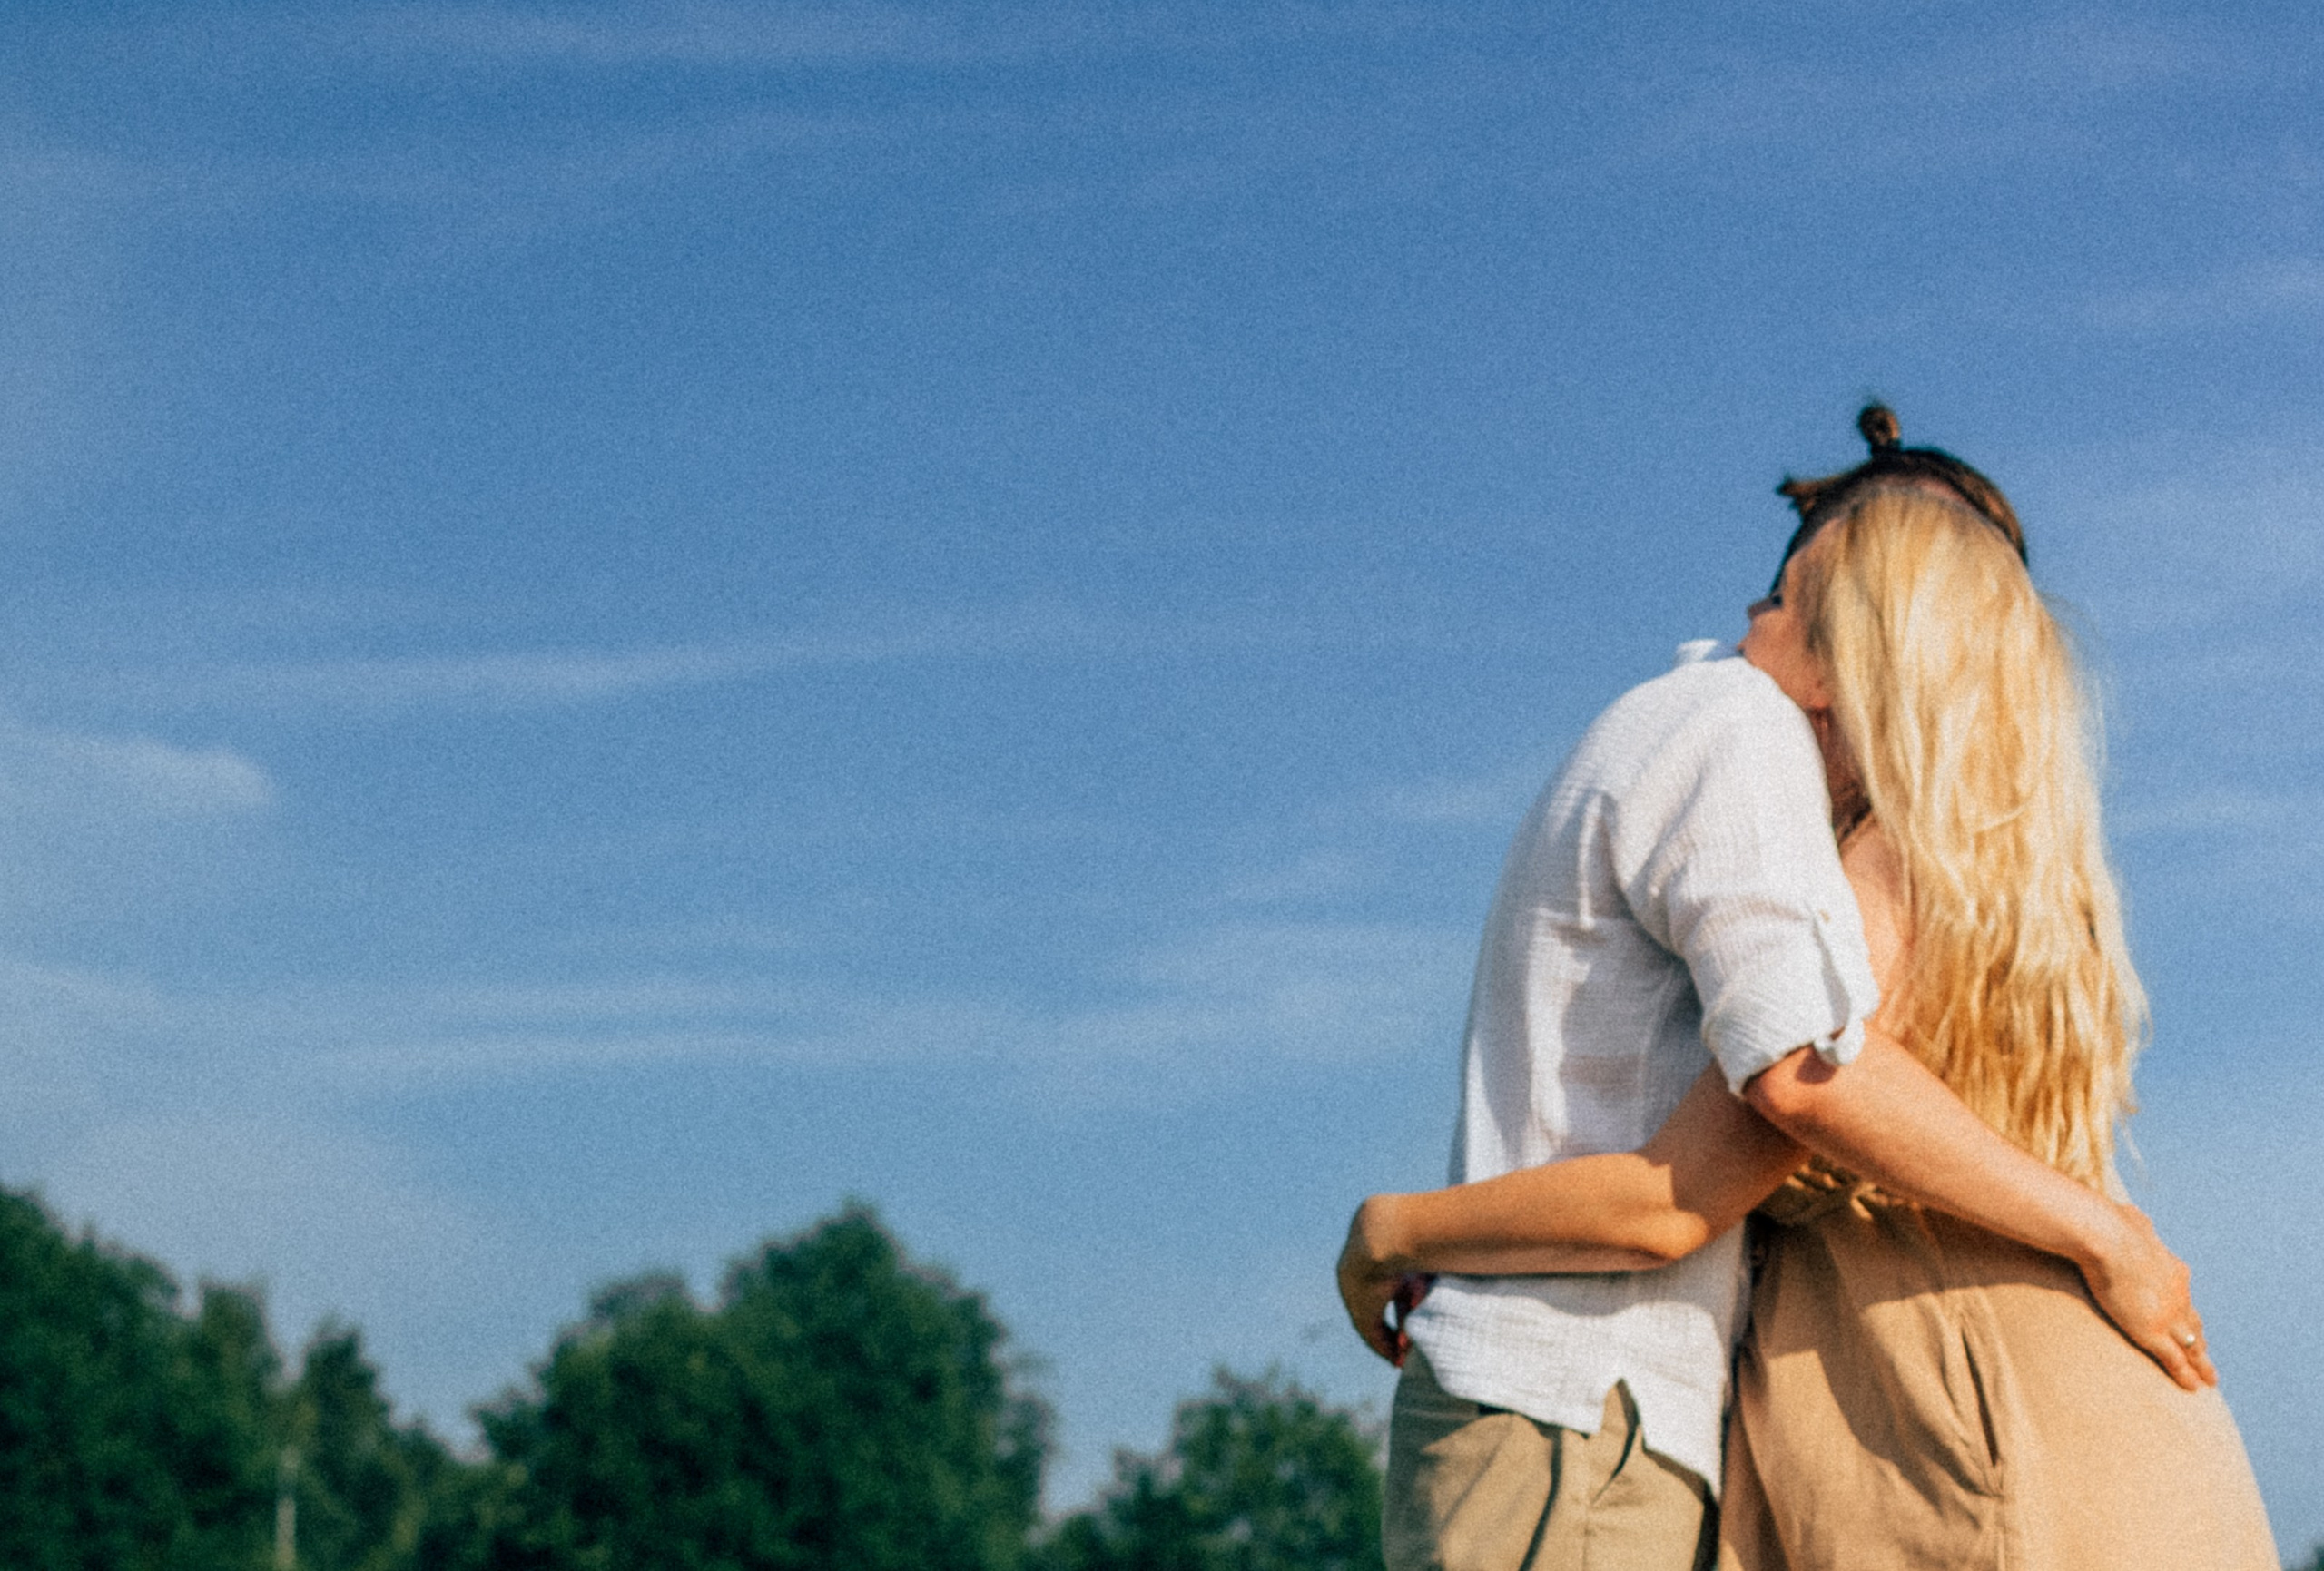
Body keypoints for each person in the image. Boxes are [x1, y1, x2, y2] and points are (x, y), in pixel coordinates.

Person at [1338, 407, 2238, 1571]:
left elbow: (1767, 1115)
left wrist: (1390, 1227)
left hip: (1904, 1420)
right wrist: (2105, 1234)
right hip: (2118, 1422)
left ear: (1862, 638)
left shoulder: (1767, 765)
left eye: (1787, 590)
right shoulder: (2018, 883)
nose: (1748, 616)